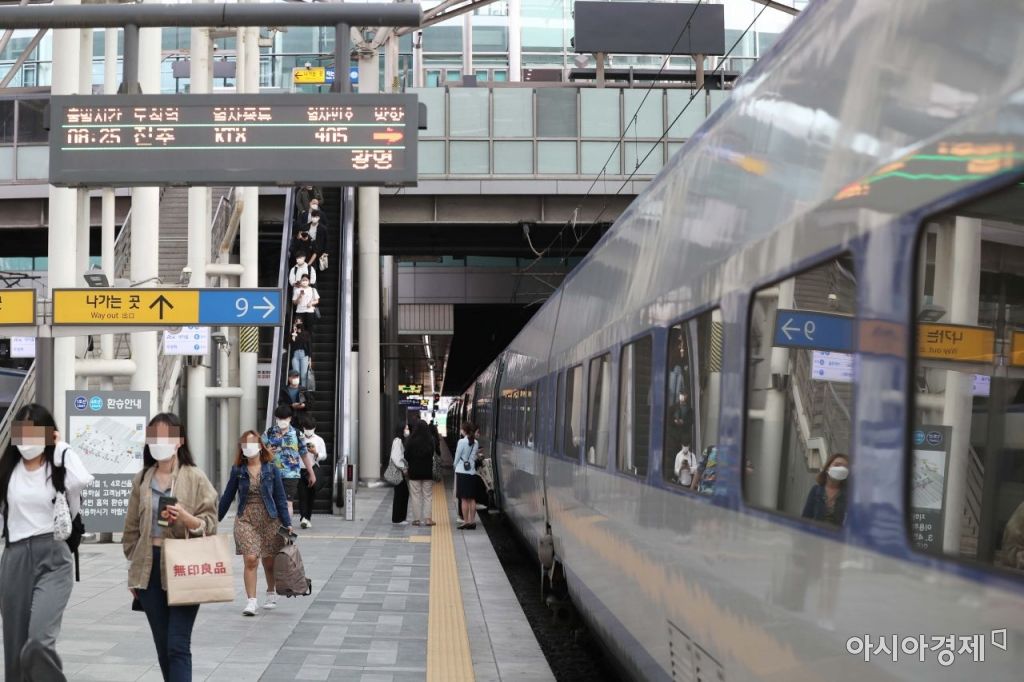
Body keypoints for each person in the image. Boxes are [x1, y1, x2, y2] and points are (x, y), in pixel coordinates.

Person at [0, 404, 93, 681]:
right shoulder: (9, 470)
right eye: (23, 433)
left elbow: (82, 480)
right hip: (15, 557)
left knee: (39, 642)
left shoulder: (59, 465)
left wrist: (60, 446)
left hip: (53, 556)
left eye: (35, 432)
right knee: (15, 649)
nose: (28, 440)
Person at [123, 413, 218, 682]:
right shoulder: (142, 479)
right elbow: (131, 530)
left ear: (179, 441)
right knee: (163, 646)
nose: (159, 442)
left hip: (184, 564)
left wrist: (186, 518)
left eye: (165, 437)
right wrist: (135, 572)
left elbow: (210, 523)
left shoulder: (195, 477)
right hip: (149, 567)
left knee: (177, 644)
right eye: (154, 437)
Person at [218, 431, 292, 616]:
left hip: (270, 519)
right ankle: (251, 601)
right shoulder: (238, 470)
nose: (248, 447)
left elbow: (280, 497)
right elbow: (227, 496)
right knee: (251, 559)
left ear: (260, 446)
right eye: (245, 444)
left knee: (269, 561)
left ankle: (271, 592)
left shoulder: (271, 469)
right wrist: (215, 519)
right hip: (246, 518)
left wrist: (287, 522)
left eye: (252, 443)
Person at [262, 406, 315, 518]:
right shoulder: (269, 432)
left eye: (285, 418)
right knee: (273, 502)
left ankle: (287, 526)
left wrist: (311, 473)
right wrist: (266, 452)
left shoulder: (297, 434)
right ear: (276, 418)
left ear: (290, 418)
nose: (282, 421)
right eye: (280, 418)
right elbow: (258, 451)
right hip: (271, 473)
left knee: (287, 503)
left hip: (291, 474)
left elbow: (304, 454)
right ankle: (274, 526)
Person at [801, 453, 849, 527]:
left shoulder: (849, 494)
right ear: (828, 468)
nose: (841, 469)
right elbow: (806, 518)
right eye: (837, 465)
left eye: (845, 467)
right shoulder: (816, 490)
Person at [297, 415, 326, 529]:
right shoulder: (299, 438)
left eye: (310, 428)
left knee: (311, 495)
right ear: (303, 427)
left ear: (314, 428)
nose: (308, 430)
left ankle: (308, 517)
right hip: (300, 469)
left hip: (313, 469)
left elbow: (324, 455)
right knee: (302, 495)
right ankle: (303, 518)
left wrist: (316, 453)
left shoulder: (319, 440)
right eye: (306, 428)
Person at [406, 422, 436, 527]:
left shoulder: (410, 440)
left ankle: (416, 520)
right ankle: (428, 519)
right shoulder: (430, 440)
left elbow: (406, 456)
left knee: (415, 496)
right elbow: (432, 454)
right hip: (427, 472)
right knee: (428, 496)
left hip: (414, 472)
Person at [453, 421, 482, 530]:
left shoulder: (461, 441)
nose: (460, 430)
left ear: (464, 431)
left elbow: (457, 455)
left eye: (461, 429)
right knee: (472, 498)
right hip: (472, 472)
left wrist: (454, 465)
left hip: (462, 472)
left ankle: (465, 522)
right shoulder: (475, 442)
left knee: (464, 499)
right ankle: (472, 521)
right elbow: (474, 457)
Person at [390, 424, 410, 525]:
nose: (407, 430)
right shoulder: (398, 441)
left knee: (403, 493)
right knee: (400, 494)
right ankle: (397, 518)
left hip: (400, 471)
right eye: (406, 428)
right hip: (399, 471)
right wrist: (403, 468)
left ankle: (401, 517)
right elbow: (396, 457)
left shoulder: (400, 440)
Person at [289, 320, 313, 389]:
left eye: (299, 322)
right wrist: (294, 332)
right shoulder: (293, 333)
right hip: (295, 355)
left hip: (304, 355)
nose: (298, 323)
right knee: (296, 375)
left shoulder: (306, 333)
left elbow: (309, 346)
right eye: (296, 322)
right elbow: (291, 341)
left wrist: (310, 359)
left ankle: (303, 391)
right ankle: (296, 391)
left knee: (303, 375)